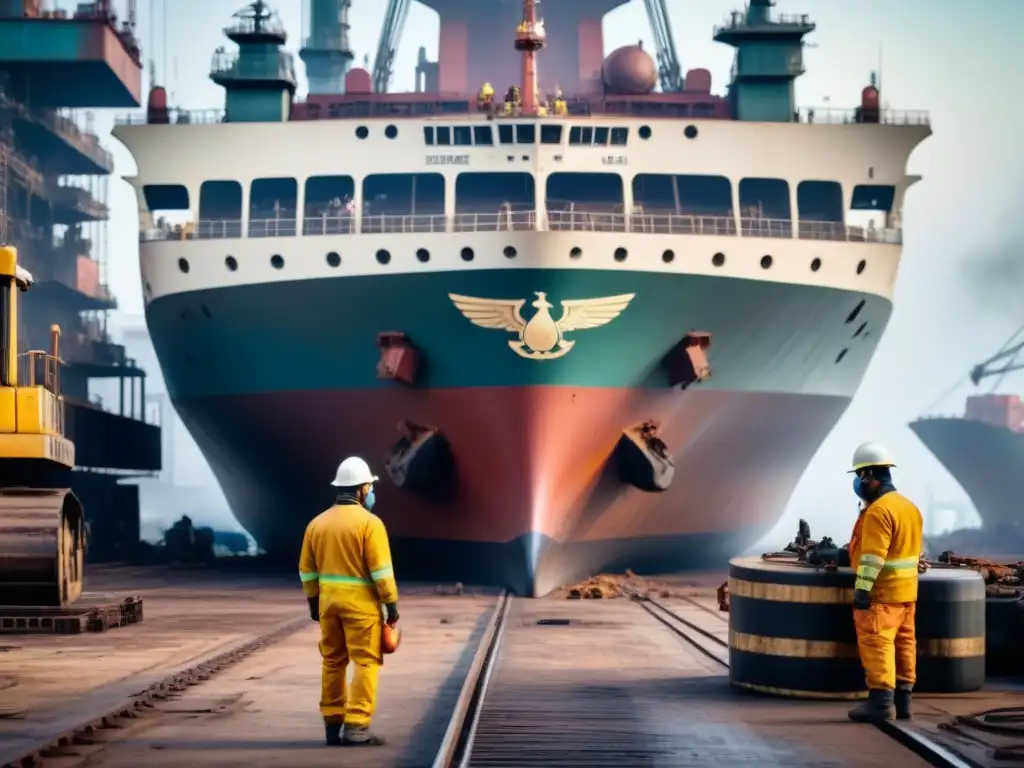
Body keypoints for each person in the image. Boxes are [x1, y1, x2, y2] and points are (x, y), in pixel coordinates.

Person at [299, 456, 400, 747]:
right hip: (361, 608)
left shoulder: (316, 524)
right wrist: (391, 606)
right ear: (362, 489)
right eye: (369, 486)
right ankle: (357, 727)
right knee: (366, 662)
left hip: (328, 605)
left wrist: (313, 604)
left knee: (332, 661)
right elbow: (382, 572)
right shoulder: (370, 524)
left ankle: (332, 726)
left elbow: (307, 570)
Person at [846, 442, 924, 722]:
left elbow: (874, 558)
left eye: (858, 476)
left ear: (868, 475)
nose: (857, 483)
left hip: (882, 593)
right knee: (905, 645)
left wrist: (862, 589)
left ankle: (879, 704)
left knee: (877, 643)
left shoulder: (879, 511)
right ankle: (904, 703)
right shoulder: (908, 507)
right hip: (907, 593)